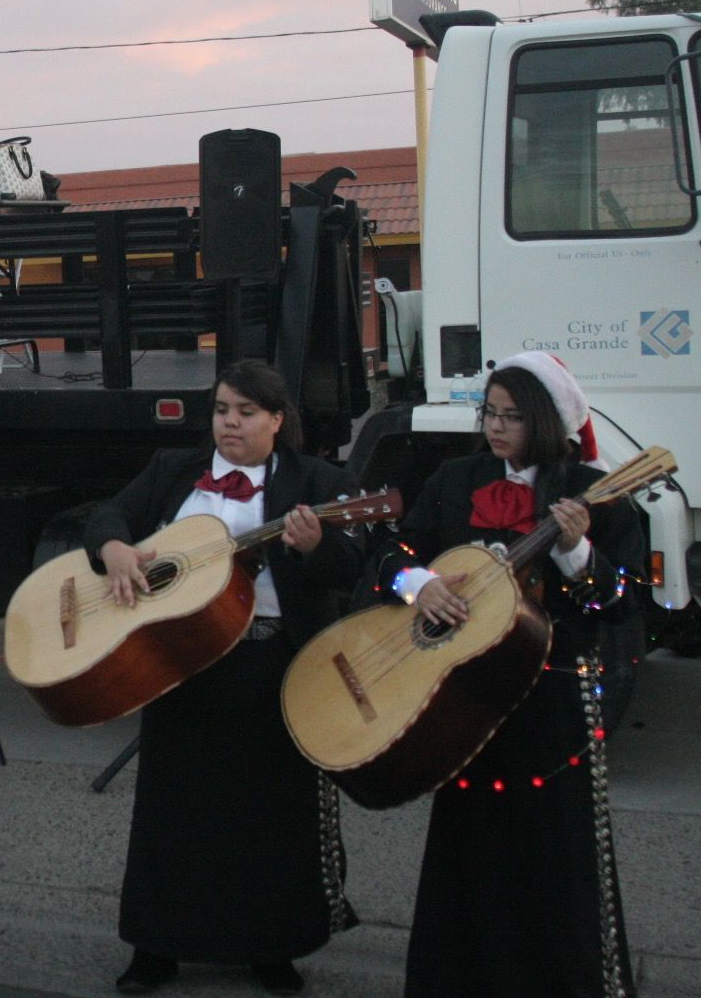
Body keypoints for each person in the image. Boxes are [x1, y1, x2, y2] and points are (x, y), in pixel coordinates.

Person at [83, 360, 363, 996]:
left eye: (245, 412)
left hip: (273, 664)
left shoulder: (317, 481)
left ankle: (273, 947)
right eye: (221, 410)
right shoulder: (173, 471)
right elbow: (108, 516)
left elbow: (350, 568)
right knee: (172, 809)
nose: (230, 423)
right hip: (181, 663)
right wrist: (115, 549)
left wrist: (314, 544)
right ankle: (156, 947)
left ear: (276, 420)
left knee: (273, 813)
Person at [377, 353, 641, 998]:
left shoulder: (593, 491)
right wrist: (422, 586)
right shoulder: (452, 478)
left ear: (546, 422)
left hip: (552, 700)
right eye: (489, 413)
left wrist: (577, 552)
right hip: (466, 694)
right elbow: (392, 557)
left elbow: (619, 606)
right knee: (471, 851)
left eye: (513, 417)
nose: (496, 428)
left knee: (557, 852)